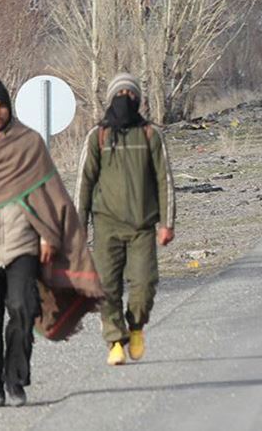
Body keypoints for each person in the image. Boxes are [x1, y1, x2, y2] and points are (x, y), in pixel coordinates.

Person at [0, 76, 103, 407]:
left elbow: (48, 196)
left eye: (1, 104)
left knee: (22, 309)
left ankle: (16, 381)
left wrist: (48, 236)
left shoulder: (29, 144)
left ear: (9, 107)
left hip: (23, 246)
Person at [75, 73, 176, 366]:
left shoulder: (150, 135)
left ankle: (136, 327)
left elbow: (164, 180)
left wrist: (167, 223)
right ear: (110, 100)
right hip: (106, 226)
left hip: (143, 226)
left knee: (144, 286)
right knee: (106, 287)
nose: (125, 100)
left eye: (130, 95)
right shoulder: (98, 136)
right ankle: (115, 341)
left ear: (139, 100)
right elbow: (83, 183)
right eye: (120, 94)